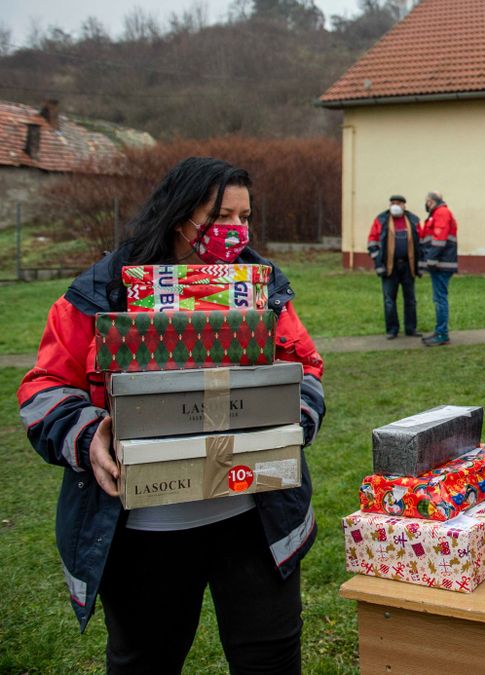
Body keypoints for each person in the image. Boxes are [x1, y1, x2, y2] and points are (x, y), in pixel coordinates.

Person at [18, 157, 326, 673]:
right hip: (145, 530)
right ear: (180, 215)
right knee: (145, 660)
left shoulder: (261, 286)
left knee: (270, 656)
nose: (236, 229)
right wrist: (88, 435)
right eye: (221, 216)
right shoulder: (102, 291)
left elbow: (306, 367)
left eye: (245, 217)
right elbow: (45, 387)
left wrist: (290, 417)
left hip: (253, 517)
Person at [368, 194, 423, 339]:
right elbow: (372, 242)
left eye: (398, 203)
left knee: (410, 300)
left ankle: (411, 329)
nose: (395, 206)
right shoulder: (380, 220)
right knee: (389, 300)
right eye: (392, 203)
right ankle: (392, 330)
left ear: (404, 205)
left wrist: (420, 265)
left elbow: (421, 243)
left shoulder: (414, 220)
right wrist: (379, 263)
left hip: (408, 266)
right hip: (389, 267)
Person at [421, 191, 457, 346]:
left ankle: (442, 334)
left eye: (427, 201)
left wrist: (431, 260)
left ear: (431, 201)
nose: (426, 204)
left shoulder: (441, 213)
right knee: (439, 298)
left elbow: (439, 238)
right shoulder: (438, 213)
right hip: (440, 263)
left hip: (441, 264)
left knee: (440, 299)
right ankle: (439, 331)